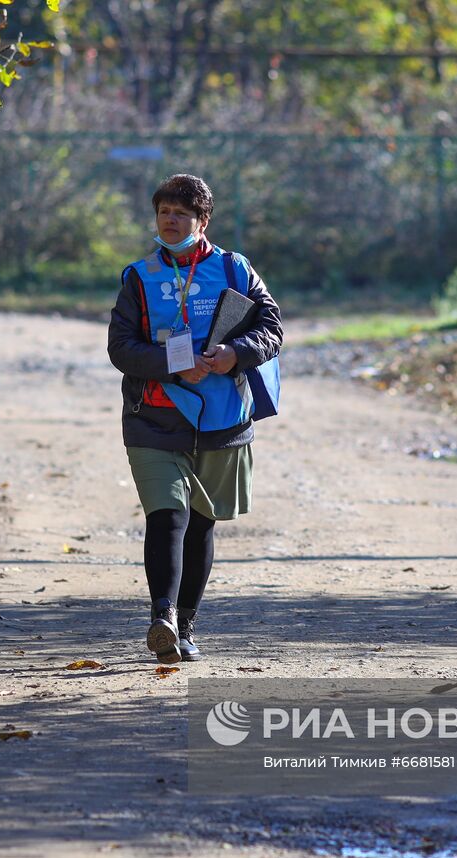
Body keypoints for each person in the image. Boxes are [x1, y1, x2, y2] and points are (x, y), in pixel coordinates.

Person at [106, 173, 284, 665]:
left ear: (202, 220)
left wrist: (235, 352)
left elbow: (272, 327)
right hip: (154, 418)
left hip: (224, 418)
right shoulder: (138, 277)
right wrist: (169, 363)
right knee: (167, 514)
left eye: (181, 213)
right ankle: (161, 614)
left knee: (202, 523)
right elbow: (120, 348)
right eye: (164, 212)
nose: (170, 220)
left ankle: (185, 625)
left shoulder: (234, 268)